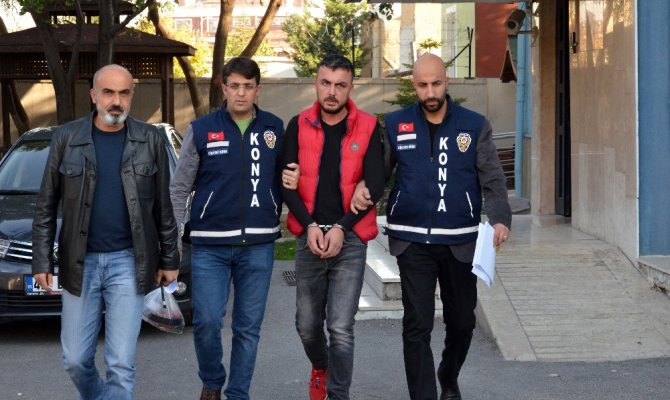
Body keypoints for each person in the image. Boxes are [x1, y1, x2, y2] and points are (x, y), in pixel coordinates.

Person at [354, 53, 512, 400]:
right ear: (414, 85)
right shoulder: (396, 123)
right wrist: (364, 187)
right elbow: (380, 171)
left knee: (463, 322)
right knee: (417, 324)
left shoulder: (474, 125)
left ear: (446, 81)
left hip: (460, 241)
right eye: (423, 85)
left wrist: (500, 217)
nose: (430, 92)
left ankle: (448, 374)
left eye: (436, 84)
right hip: (412, 241)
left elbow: (492, 179)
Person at [32, 64, 179, 399]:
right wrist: (41, 259)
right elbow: (45, 204)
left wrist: (169, 259)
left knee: (121, 363)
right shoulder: (67, 138)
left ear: (131, 95)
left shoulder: (150, 139)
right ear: (93, 95)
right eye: (109, 92)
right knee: (75, 360)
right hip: (79, 263)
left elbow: (163, 206)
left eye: (124, 93)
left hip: (129, 262)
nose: (117, 101)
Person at [170, 57, 291, 400]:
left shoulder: (274, 128)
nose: (241, 93)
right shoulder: (202, 129)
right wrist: (173, 238)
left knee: (248, 328)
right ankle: (212, 380)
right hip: (210, 245)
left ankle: (238, 393)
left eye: (248, 86)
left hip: (259, 244)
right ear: (224, 88)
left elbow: (286, 177)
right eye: (234, 86)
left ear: (258, 90)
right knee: (207, 321)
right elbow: (179, 188)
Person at [280, 54, 385, 400]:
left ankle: (339, 395)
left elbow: (375, 183)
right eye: (326, 83)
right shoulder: (297, 124)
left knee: (340, 326)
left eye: (340, 85)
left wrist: (342, 227)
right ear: (316, 83)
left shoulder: (368, 126)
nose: (332, 92)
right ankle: (321, 366)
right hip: (309, 236)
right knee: (307, 326)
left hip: (350, 239)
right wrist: (310, 225)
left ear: (351, 88)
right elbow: (286, 184)